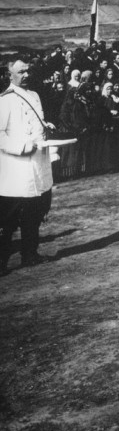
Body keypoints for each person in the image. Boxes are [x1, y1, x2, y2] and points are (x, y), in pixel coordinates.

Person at [0, 59, 54, 272]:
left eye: (28, 71)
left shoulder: (34, 96)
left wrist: (46, 127)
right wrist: (22, 146)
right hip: (16, 168)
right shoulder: (5, 100)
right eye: (21, 72)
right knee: (8, 218)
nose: (26, 75)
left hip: (37, 164)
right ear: (9, 75)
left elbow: (35, 124)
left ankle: (29, 254)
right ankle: (1, 262)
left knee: (35, 211)